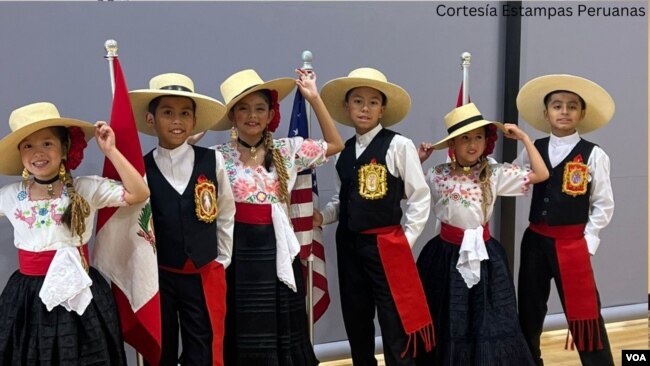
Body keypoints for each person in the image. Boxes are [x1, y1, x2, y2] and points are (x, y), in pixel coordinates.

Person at [195, 68, 343, 365]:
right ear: (233, 116)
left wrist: (314, 98)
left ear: (271, 113)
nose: (253, 116)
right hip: (238, 250)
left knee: (282, 323)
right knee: (244, 323)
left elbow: (335, 144)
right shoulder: (216, 155)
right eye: (244, 109)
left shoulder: (287, 150)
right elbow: (181, 154)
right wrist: (202, 127)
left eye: (260, 108)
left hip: (277, 249)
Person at [0, 102, 150, 364]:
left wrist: (111, 152)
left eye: (47, 143)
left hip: (79, 291)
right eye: (28, 146)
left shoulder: (85, 188)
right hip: (29, 298)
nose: (38, 152)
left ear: (65, 147)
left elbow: (139, 192)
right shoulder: (12, 195)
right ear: (20, 154)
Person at [315, 67, 433, 366]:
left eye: (372, 102)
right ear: (347, 107)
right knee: (357, 318)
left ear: (382, 109)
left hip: (386, 245)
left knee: (394, 319)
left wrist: (405, 240)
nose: (364, 108)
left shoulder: (398, 145)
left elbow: (419, 196)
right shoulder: (343, 151)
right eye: (357, 101)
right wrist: (323, 217)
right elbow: (340, 200)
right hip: (350, 246)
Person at [415, 102, 547, 366]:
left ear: (487, 141)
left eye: (478, 137)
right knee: (449, 315)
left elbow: (541, 174)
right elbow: (406, 189)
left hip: (485, 256)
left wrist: (524, 138)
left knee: (487, 316)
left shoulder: (494, 173)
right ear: (453, 143)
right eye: (465, 138)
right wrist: (417, 161)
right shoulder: (436, 174)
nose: (472, 144)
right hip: (443, 256)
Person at [129, 73, 236, 366]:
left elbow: (225, 211)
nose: (177, 120)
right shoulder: (142, 169)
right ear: (151, 119)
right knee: (162, 346)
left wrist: (222, 257)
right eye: (167, 113)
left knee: (202, 345)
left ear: (194, 120)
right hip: (162, 274)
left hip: (202, 272)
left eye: (184, 113)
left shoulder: (212, 161)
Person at [514, 74, 616, 366]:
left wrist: (588, 240)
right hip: (535, 241)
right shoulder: (533, 149)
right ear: (546, 113)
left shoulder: (593, 154)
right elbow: (515, 178)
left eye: (572, 106)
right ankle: (529, 360)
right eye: (557, 105)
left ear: (582, 114)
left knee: (585, 314)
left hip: (571, 244)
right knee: (530, 310)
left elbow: (603, 203)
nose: (564, 111)